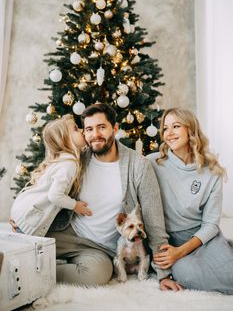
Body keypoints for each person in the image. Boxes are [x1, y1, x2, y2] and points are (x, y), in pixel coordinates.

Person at [44, 103, 182, 290]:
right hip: (69, 232)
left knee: (97, 274)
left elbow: (153, 219)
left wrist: (163, 274)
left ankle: (38, 273)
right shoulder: (77, 158)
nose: (95, 135)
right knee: (26, 245)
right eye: (89, 129)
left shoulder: (138, 166)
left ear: (114, 129)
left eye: (102, 127)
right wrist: (27, 214)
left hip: (100, 248)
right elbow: (46, 184)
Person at [147, 107, 233, 294]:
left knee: (229, 274)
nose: (169, 133)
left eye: (176, 126)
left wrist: (181, 252)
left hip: (203, 237)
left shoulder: (212, 171)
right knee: (186, 274)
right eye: (165, 128)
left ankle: (225, 248)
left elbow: (210, 224)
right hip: (171, 239)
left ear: (190, 130)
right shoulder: (152, 163)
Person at [10, 114, 91, 237]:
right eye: (76, 129)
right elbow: (55, 196)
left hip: (23, 210)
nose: (82, 130)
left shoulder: (62, 159)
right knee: (26, 254)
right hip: (29, 218)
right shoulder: (68, 164)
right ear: (64, 139)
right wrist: (75, 205)